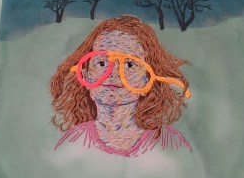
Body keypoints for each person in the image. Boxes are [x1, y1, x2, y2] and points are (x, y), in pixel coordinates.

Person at [49, 14, 191, 157]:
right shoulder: (72, 142)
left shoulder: (172, 144)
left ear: (148, 79)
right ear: (85, 75)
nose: (114, 73)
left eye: (129, 65)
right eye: (102, 63)